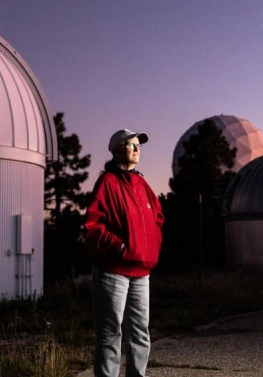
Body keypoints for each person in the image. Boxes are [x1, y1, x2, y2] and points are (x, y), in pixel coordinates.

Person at [84, 129, 164, 377]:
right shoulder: (107, 182)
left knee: (140, 332)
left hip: (141, 272)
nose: (137, 149)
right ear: (117, 149)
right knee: (110, 332)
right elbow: (93, 226)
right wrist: (119, 246)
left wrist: (152, 245)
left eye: (139, 145)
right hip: (114, 271)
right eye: (131, 144)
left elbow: (158, 218)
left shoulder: (142, 184)